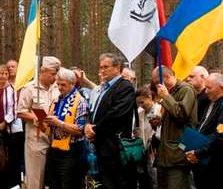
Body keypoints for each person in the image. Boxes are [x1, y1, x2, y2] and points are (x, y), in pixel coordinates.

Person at [84, 53, 137, 189]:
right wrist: (88, 125)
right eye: (101, 67)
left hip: (115, 148)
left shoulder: (125, 87)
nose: (102, 70)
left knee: (115, 183)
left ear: (117, 67)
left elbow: (116, 114)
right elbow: (94, 110)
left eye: (106, 67)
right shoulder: (104, 88)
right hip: (101, 146)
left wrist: (94, 129)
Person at [187, 73, 223, 189]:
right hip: (207, 161)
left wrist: (198, 153)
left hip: (218, 165)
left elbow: (220, 137)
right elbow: (203, 125)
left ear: (221, 87)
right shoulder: (215, 102)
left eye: (209, 88)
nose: (206, 91)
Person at [17, 56, 61, 189]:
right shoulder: (30, 88)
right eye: (53, 74)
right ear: (43, 70)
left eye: (56, 74)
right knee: (36, 179)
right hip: (36, 139)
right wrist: (36, 117)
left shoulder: (58, 87)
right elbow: (20, 112)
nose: (55, 77)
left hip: (56, 138)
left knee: (54, 179)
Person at [152, 65, 197, 189]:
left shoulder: (185, 90)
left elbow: (182, 114)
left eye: (157, 82)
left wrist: (166, 97)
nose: (156, 85)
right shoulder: (170, 92)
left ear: (166, 77)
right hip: (164, 153)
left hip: (178, 153)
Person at [43, 67, 88, 189]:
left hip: (72, 151)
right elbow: (48, 127)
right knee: (53, 184)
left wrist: (58, 123)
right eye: (58, 84)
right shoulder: (56, 100)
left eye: (63, 84)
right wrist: (43, 121)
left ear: (72, 84)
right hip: (54, 147)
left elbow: (80, 130)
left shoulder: (80, 102)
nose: (60, 87)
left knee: (69, 185)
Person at [0, 64, 21, 189]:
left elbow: (14, 108)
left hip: (10, 129)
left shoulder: (12, 89)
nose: (3, 76)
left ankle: (14, 185)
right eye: (1, 73)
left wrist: (5, 122)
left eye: (6, 74)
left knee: (12, 159)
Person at [136, 87, 161, 189]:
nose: (141, 105)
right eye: (138, 103)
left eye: (142, 102)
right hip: (143, 150)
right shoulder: (139, 112)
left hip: (156, 151)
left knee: (155, 180)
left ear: (150, 97)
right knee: (144, 180)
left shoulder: (159, 109)